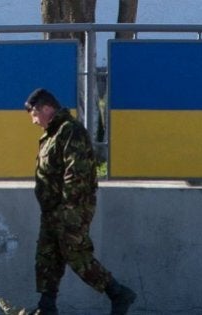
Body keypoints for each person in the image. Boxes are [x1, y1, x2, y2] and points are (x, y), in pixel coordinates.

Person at [24, 88, 136, 315]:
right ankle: (46, 306)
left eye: (35, 114)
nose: (34, 121)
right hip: (52, 211)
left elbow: (77, 175)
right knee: (47, 258)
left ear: (47, 109)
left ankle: (118, 293)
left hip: (70, 209)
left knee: (76, 256)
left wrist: (69, 213)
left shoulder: (70, 132)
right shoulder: (51, 135)